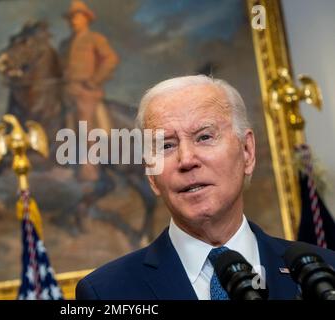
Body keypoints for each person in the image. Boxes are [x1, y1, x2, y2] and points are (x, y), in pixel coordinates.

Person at [75, 75, 335, 300]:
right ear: (151, 175)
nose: (186, 160)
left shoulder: (326, 272)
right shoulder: (106, 292)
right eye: (166, 145)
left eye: (204, 137)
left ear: (247, 151)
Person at [60, 0, 119, 183]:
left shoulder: (95, 39)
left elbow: (111, 59)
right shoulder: (64, 44)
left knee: (83, 117)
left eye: (77, 16)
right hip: (66, 90)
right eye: (71, 18)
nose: (73, 21)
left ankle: (89, 165)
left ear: (86, 18)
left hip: (86, 91)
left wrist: (94, 80)